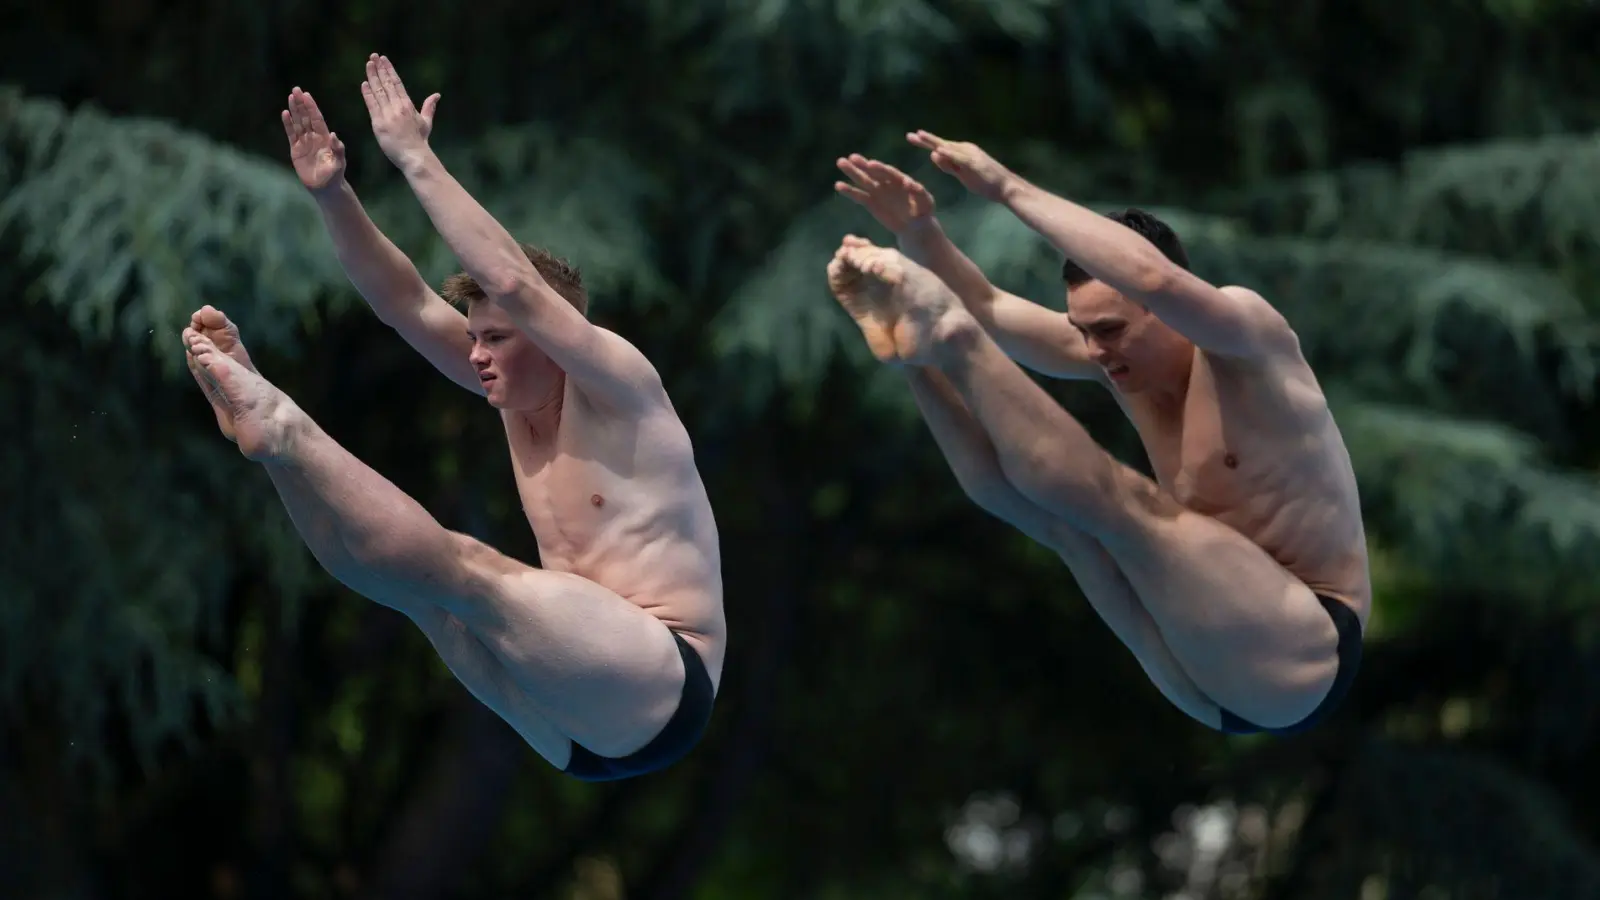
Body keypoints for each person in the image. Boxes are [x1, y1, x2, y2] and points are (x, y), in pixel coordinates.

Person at [182, 53, 724, 781]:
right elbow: (402, 302)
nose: (478, 356)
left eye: (496, 337)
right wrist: (334, 194)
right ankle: (278, 451)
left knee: (468, 568)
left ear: (555, 332)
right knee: (420, 597)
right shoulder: (506, 388)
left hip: (659, 679)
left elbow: (513, 282)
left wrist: (412, 155)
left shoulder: (622, 389)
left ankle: (285, 427)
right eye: (473, 338)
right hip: (568, 727)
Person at [825, 134, 1368, 734]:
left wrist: (1006, 186)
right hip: (1202, 677)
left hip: (1301, 646)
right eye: (1083, 330)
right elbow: (991, 304)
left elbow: (1152, 278)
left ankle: (948, 339)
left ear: (1167, 309)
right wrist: (920, 233)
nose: (1093, 351)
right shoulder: (1115, 360)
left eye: (1109, 329)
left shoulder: (1246, 339)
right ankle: (920, 365)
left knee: (1121, 503)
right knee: (1057, 521)